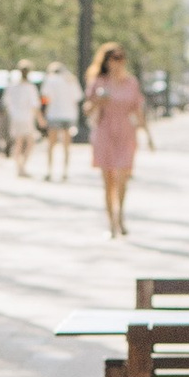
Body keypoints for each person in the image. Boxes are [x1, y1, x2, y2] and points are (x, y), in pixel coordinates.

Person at [84, 39, 147, 239]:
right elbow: (87, 110)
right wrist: (98, 102)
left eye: (120, 58)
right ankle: (111, 222)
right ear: (106, 61)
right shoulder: (98, 82)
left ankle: (120, 216)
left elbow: (137, 110)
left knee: (122, 178)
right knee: (108, 180)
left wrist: (149, 135)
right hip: (104, 132)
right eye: (112, 58)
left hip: (126, 133)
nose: (116, 62)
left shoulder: (131, 83)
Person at [37, 55, 81, 177]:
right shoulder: (71, 80)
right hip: (68, 114)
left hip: (54, 114)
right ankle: (65, 171)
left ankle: (49, 170)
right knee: (66, 145)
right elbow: (77, 98)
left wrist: (43, 112)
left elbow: (45, 98)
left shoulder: (50, 80)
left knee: (51, 144)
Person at [2, 64, 40, 177]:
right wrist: (40, 119)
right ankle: (22, 166)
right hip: (27, 118)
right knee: (29, 142)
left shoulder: (12, 86)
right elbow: (34, 105)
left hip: (15, 117)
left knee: (18, 142)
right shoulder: (30, 87)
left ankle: (19, 166)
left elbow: (6, 102)